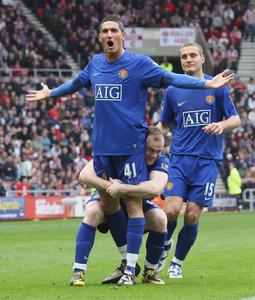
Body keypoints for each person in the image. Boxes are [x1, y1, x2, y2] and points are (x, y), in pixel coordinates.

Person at [26, 15, 234, 286]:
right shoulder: (96, 64)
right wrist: (51, 93)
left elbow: (169, 77)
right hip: (102, 148)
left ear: (123, 36)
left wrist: (205, 84)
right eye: (105, 31)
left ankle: (136, 269)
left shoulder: (139, 65)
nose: (109, 34)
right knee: (108, 205)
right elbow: (76, 84)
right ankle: (123, 264)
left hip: (131, 147)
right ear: (100, 37)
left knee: (135, 204)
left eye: (114, 30)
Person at [157, 43, 241, 279]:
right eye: (184, 56)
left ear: (202, 58)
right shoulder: (173, 88)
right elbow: (164, 123)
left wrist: (220, 125)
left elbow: (235, 120)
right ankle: (165, 244)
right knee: (170, 211)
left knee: (192, 215)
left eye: (193, 55)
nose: (188, 59)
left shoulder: (217, 87)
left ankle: (177, 262)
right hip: (179, 159)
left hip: (206, 161)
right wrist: (151, 137)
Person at [70, 127, 169, 286]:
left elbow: (156, 188)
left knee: (160, 219)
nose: (154, 155)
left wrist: (121, 188)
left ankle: (150, 271)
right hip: (108, 201)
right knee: (92, 211)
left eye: (158, 151)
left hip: (136, 204)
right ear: (142, 145)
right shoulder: (121, 153)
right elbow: (84, 175)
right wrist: (110, 185)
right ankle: (78, 272)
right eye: (151, 150)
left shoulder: (161, 161)